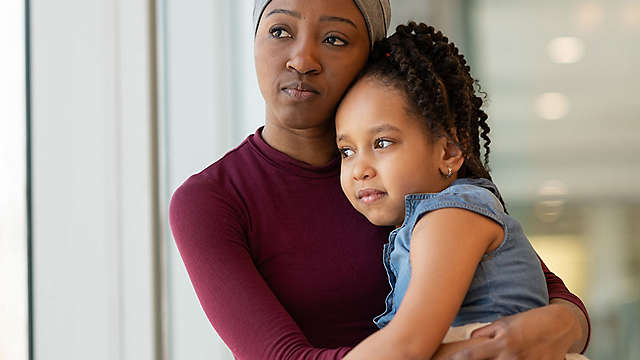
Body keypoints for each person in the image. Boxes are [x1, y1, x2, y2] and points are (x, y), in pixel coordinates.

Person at [168, 0, 590, 359]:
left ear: (368, 57)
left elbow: (549, 295)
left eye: (334, 39)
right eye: (280, 30)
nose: (301, 59)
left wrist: (559, 324)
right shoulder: (212, 200)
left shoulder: (410, 172)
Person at [334, 21, 587, 360]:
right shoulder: (422, 224)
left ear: (448, 152)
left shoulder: (452, 214)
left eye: (382, 142)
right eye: (347, 151)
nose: (360, 169)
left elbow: (408, 345)